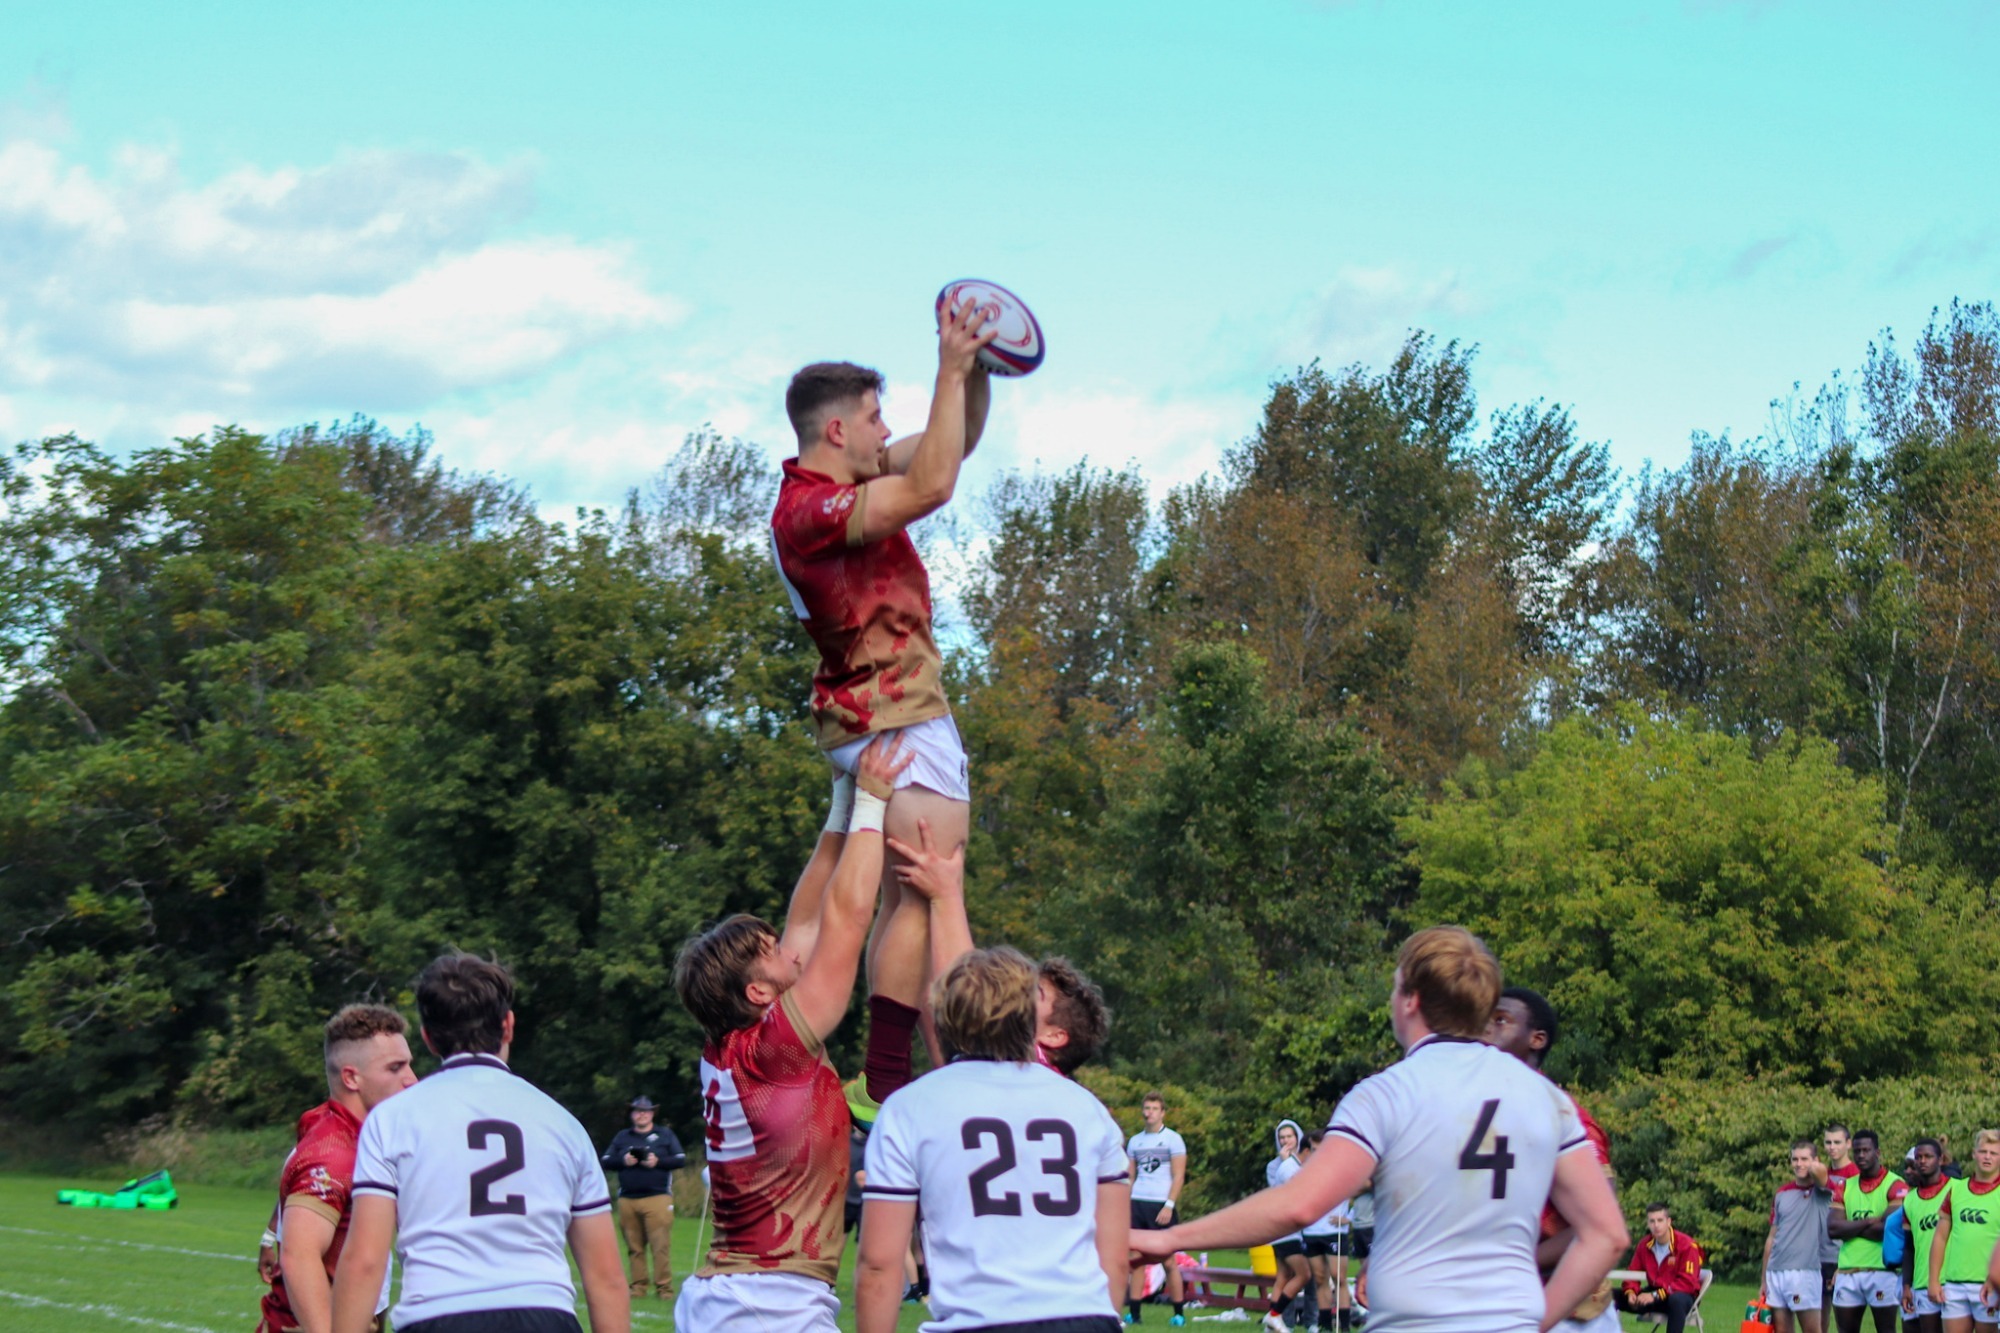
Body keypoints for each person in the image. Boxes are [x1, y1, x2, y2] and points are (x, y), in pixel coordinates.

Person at [1131, 926, 1628, 1333]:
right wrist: (1536, 1320)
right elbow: (1606, 1234)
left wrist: (1170, 1238)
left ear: (1410, 999)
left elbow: (1299, 1204)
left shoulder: (1387, 1093)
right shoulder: (1547, 1098)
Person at [768, 299, 999, 1113]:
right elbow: (934, 481)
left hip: (868, 712)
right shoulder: (810, 511)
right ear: (836, 431)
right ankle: (897, 1077)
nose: (883, 430)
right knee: (927, 883)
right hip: (893, 710)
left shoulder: (837, 482)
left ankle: (888, 1074)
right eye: (873, 418)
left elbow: (952, 445)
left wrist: (978, 371)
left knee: (908, 890)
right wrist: (947, 363)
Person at [670, 736, 907, 1333]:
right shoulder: (775, 1048)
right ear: (757, 992)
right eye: (771, 953)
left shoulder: (736, 1043)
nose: (788, 949)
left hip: (740, 1297)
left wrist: (842, 801)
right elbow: (846, 920)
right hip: (767, 1303)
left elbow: (806, 917)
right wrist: (874, 805)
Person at [331, 954, 628, 1333]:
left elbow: (365, 1260)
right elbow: (605, 1277)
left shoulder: (391, 1120)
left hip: (438, 1315)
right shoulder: (563, 1124)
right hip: (544, 1316)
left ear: (427, 1035)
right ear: (508, 1026)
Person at [855, 945, 1131, 1333]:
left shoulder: (908, 1107)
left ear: (942, 1014)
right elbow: (1115, 1259)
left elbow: (879, 1265)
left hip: (979, 1322)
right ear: (1028, 1018)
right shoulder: (1088, 1109)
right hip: (1087, 1320)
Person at [257, 1004, 417, 1333]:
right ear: (351, 1077)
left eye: (409, 1065)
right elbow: (300, 1256)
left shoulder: (354, 1137)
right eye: (395, 1068)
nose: (411, 1080)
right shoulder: (333, 1152)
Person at [1484, 986, 1618, 1333]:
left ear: (1537, 1039)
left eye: (1501, 1020)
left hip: (1567, 1314)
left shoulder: (1567, 1117)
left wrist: (1508, 1263)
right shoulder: (1478, 1111)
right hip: (1493, 1303)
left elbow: (1600, 1226)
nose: (1487, 1028)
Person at [600, 1095, 686, 1302]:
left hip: (657, 1197)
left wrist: (657, 1161)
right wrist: (624, 1160)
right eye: (637, 1111)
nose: (641, 1114)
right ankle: (638, 1288)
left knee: (660, 1246)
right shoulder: (623, 1137)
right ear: (632, 1114)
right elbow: (605, 1160)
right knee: (634, 1247)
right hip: (628, 1199)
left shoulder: (664, 1134)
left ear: (652, 1114)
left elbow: (680, 1159)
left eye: (645, 1111)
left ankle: (664, 1289)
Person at [1828, 1130, 1907, 1333]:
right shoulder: (1845, 1185)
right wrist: (1870, 1221)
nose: (1861, 1155)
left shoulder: (1895, 1184)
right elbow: (1833, 1229)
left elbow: (1887, 1231)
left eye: (1866, 1150)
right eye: (1857, 1151)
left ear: (1878, 1152)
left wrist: (1851, 1227)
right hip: (1847, 1271)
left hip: (1882, 1271)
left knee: (1886, 1330)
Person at [1925, 1129, 2000, 1333]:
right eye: (1983, 1151)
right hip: (1955, 1285)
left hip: (1990, 1285)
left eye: (1994, 1153)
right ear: (1974, 1153)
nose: (1987, 1157)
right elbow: (1940, 1237)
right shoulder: (1956, 1189)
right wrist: (1933, 1280)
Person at [1127, 1092, 1190, 1325]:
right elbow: (1130, 1176)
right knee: (1136, 1260)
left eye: (1154, 1108)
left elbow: (1179, 1175)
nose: (1149, 1112)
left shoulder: (1173, 1139)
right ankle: (1134, 1314)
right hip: (1138, 1203)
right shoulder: (1135, 1141)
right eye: (1146, 1108)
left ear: (1162, 1112)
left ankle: (1178, 1314)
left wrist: (1169, 1205)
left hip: (1161, 1205)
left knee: (1168, 1261)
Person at [1763, 1139, 1836, 1333]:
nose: (1799, 1164)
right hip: (1776, 1271)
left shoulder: (1822, 1191)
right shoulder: (1782, 1193)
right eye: (1795, 1159)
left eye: (1805, 1159)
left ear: (1815, 1160)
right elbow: (1772, 1237)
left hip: (1805, 1272)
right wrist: (1764, 1278)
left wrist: (1815, 1167)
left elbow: (1822, 1176)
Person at [1296, 1131, 1355, 1333]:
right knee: (1320, 1279)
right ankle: (1325, 1326)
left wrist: (1351, 1217)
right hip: (1312, 1231)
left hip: (1334, 1230)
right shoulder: (1303, 1172)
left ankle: (1344, 1326)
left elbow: (1366, 1188)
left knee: (1339, 1277)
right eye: (1314, 1150)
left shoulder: (1340, 1168)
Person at [1616, 1203, 1704, 1333]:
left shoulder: (1687, 1245)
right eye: (1652, 1221)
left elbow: (1687, 1283)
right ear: (1648, 1224)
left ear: (1668, 1222)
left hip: (1681, 1295)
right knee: (1608, 1295)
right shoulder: (1645, 1244)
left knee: (1677, 1300)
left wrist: (1656, 1295)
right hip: (1654, 1294)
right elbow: (1632, 1273)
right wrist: (1631, 1292)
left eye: (1660, 1220)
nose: (1656, 1225)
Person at [1265, 1120, 1313, 1333]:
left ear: (1297, 1138)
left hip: (1288, 1229)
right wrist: (1286, 1162)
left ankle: (1271, 1323)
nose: (1285, 1141)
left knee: (1284, 1276)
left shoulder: (1302, 1163)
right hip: (1285, 1229)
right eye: (1281, 1137)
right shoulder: (1280, 1166)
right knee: (1303, 1275)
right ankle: (1275, 1316)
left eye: (1289, 1136)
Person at [1903, 1139, 1950, 1333]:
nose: (1922, 1161)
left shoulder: (1957, 1189)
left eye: (1928, 1156)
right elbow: (1909, 1246)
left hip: (1952, 1281)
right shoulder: (1910, 1199)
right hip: (1922, 1282)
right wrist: (1906, 1285)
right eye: (1918, 1157)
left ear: (1940, 1159)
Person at [1826, 1126, 1861, 1329]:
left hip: (1844, 1256)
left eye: (1837, 1142)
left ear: (1848, 1144)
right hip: (1821, 1253)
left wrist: (1843, 1264)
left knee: (1846, 1324)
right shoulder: (1823, 1173)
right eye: (1828, 1142)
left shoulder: (1854, 1175)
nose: (1832, 1147)